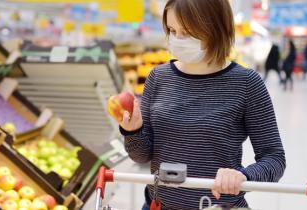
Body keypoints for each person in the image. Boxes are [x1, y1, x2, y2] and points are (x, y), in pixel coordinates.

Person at [110, 0, 286, 209]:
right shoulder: (158, 78)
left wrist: (242, 177)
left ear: (215, 27)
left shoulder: (246, 83)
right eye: (172, 30)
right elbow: (142, 156)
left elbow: (274, 159)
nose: (177, 39)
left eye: (186, 31)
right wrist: (133, 131)